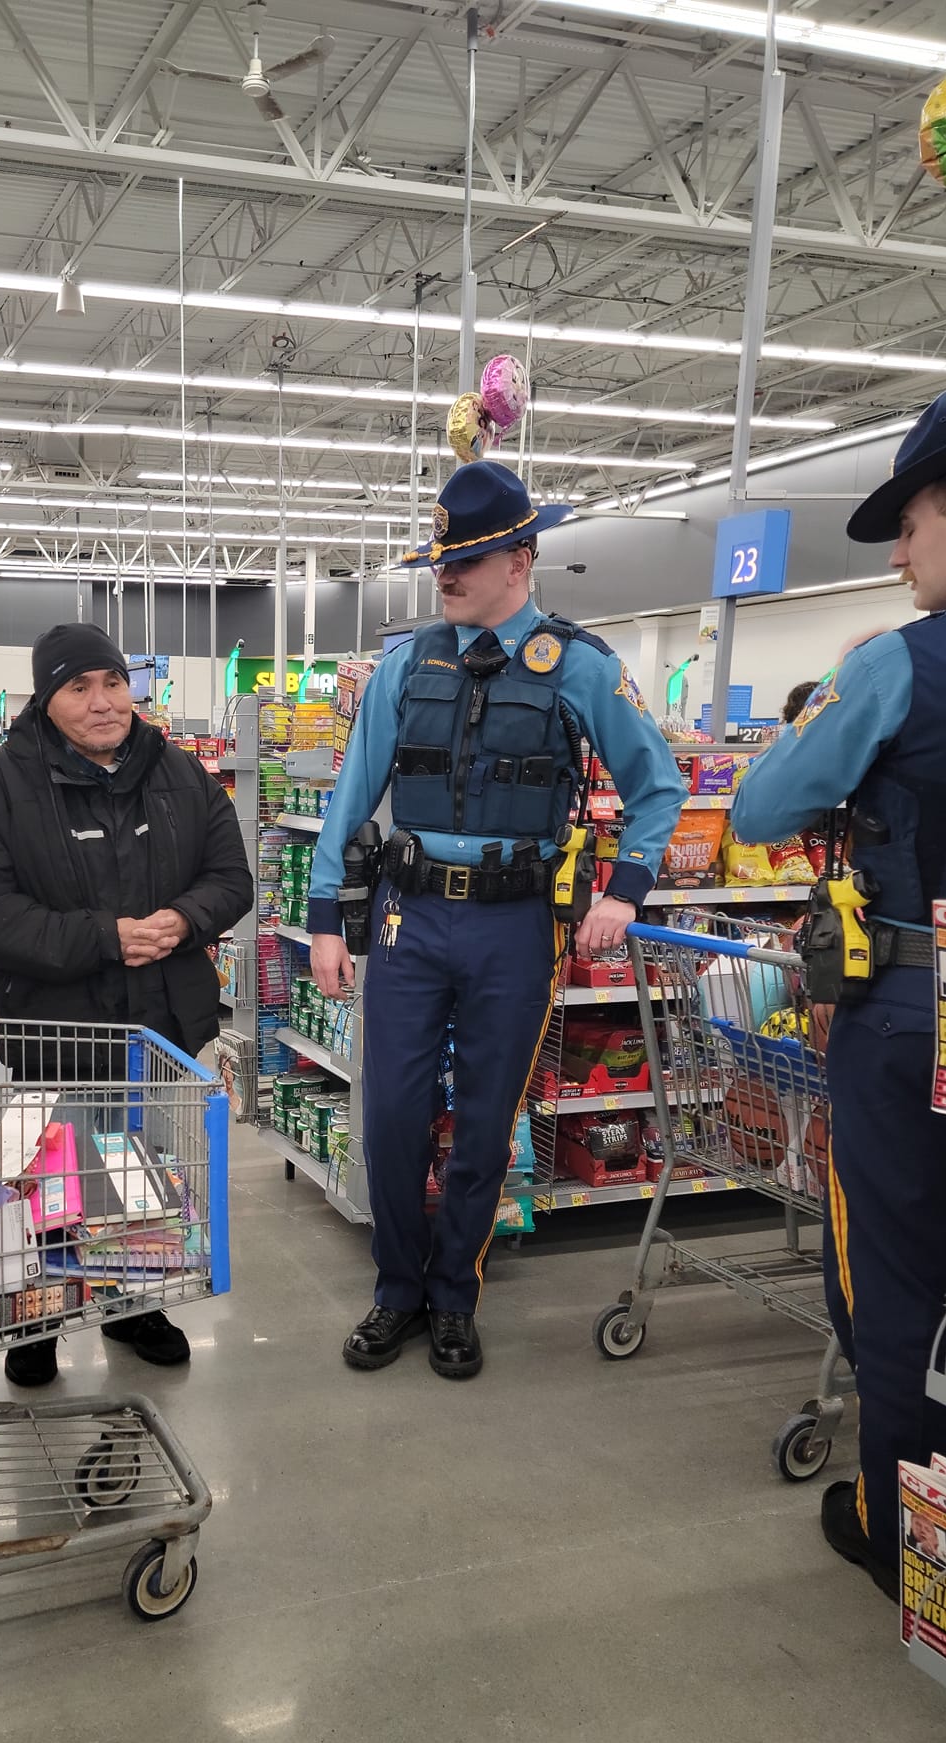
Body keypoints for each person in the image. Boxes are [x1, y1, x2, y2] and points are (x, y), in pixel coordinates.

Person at [307, 461, 685, 1379]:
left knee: (484, 1123)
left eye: (466, 560)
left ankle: (453, 1297)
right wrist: (324, 919)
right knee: (392, 1115)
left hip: (516, 928)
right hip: (409, 918)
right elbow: (351, 796)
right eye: (441, 560)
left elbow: (658, 787)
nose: (446, 576)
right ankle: (397, 1289)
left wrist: (624, 891)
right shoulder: (406, 666)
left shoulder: (582, 666)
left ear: (521, 559)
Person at [731, 383, 946, 1600]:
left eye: (908, 525)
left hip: (916, 1015)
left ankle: (912, 1535)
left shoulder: (900, 662)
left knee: (893, 1278)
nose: (898, 556)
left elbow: (759, 808)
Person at [0, 621, 253, 1387]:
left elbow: (230, 878)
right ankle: (40, 1317)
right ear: (46, 701)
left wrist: (184, 919)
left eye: (113, 682)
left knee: (140, 1171)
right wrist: (104, 937)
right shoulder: (9, 784)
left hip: (160, 1024)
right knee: (53, 1176)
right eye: (78, 687)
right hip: (59, 1025)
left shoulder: (178, 772)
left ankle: (131, 1304)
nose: (102, 701)